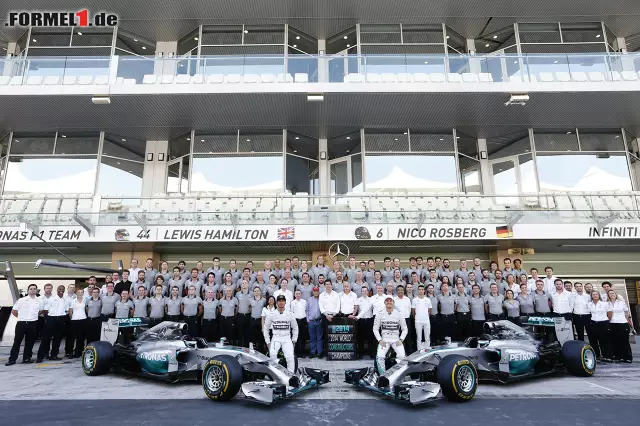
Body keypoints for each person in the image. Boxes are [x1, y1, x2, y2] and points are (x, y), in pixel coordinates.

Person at [6, 284, 43, 366]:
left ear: (36, 290)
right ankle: (12, 359)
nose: (33, 290)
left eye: (34, 289)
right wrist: (22, 317)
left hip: (33, 323)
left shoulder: (40, 301)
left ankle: (26, 358)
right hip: (21, 323)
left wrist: (33, 317)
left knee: (30, 342)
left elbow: (40, 311)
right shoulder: (21, 300)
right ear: (28, 290)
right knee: (17, 342)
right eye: (31, 289)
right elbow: (14, 311)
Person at [263, 295, 298, 373]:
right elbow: (265, 328)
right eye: (279, 301)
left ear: (285, 302)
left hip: (286, 338)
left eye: (282, 301)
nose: (281, 303)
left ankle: (291, 376)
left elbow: (295, 328)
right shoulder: (271, 314)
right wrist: (268, 341)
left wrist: (294, 340)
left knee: (290, 356)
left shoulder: (290, 314)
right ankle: (275, 375)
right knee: (272, 355)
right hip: (276, 338)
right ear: (276, 303)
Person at [373, 296, 408, 374]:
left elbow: (405, 329)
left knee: (402, 357)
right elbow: (375, 329)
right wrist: (379, 340)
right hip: (384, 339)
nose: (389, 302)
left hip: (396, 339)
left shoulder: (399, 313)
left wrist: (401, 339)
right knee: (380, 356)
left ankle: (397, 375)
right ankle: (383, 376)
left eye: (390, 301)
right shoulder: (380, 313)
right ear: (384, 302)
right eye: (387, 301)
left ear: (393, 302)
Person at [37, 285, 67, 362]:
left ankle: (54, 355)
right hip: (51, 318)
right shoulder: (52, 298)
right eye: (59, 289)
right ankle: (40, 357)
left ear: (64, 290)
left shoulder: (65, 299)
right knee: (46, 338)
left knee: (58, 338)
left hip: (61, 319)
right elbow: (45, 310)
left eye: (62, 289)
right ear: (57, 290)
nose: (61, 290)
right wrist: (47, 319)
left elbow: (66, 310)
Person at [607, 290, 633, 363]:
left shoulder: (621, 302)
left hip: (622, 323)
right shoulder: (607, 303)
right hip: (612, 324)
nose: (612, 295)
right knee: (615, 341)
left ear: (616, 294)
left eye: (613, 293)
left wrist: (625, 319)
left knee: (624, 341)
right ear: (608, 295)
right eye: (610, 294)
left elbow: (627, 312)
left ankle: (627, 357)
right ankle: (618, 357)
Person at [587, 291, 613, 362]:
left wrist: (607, 321)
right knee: (594, 340)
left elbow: (610, 313)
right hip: (593, 323)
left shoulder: (604, 304)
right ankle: (597, 355)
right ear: (591, 296)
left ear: (599, 295)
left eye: (596, 294)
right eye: (593, 294)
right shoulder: (589, 304)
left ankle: (607, 356)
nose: (595, 296)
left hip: (603, 323)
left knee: (605, 340)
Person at [319, 279, 340, 355]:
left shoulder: (336, 294)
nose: (328, 285)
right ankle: (326, 352)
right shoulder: (321, 295)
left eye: (329, 284)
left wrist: (333, 315)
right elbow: (321, 307)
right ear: (324, 286)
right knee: (325, 334)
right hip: (325, 316)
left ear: (331, 285)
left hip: (334, 316)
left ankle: (334, 351)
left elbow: (338, 306)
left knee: (334, 335)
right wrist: (327, 315)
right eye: (326, 284)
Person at [353, 284, 374, 358]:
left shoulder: (371, 299)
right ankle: (360, 353)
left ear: (368, 292)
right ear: (361, 292)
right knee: (360, 337)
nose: (364, 292)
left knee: (370, 337)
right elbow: (356, 309)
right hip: (361, 321)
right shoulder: (358, 300)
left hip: (369, 320)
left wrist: (357, 317)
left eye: (366, 291)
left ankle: (371, 353)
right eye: (363, 291)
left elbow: (368, 309)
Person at [68, 288, 87, 358]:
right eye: (79, 292)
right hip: (74, 320)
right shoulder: (73, 301)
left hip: (83, 320)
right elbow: (70, 311)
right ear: (76, 293)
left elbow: (86, 310)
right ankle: (70, 352)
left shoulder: (85, 300)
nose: (80, 293)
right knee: (72, 337)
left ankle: (78, 352)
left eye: (81, 292)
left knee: (80, 338)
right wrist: (72, 318)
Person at [412, 285, 432, 350]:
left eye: (422, 289)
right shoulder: (414, 300)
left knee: (427, 337)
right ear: (418, 291)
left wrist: (426, 315)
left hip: (426, 320)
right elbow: (413, 311)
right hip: (418, 321)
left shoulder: (428, 300)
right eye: (419, 289)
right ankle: (419, 351)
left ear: (424, 291)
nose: (421, 291)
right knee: (419, 337)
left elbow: (430, 310)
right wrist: (416, 317)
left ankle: (427, 349)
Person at [394, 285, 413, 353]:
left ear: (404, 291)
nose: (400, 291)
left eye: (401, 290)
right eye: (399, 290)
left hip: (406, 319)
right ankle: (400, 352)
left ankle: (409, 352)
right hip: (397, 321)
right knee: (398, 336)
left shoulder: (407, 299)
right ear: (396, 291)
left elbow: (409, 309)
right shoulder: (394, 300)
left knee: (408, 336)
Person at [305, 287, 323, 358]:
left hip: (319, 321)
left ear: (319, 292)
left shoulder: (321, 299)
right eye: (314, 291)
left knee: (319, 338)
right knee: (312, 338)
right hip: (311, 321)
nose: (316, 292)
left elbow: (323, 309)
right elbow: (307, 310)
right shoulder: (309, 299)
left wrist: (322, 318)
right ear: (313, 292)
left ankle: (319, 352)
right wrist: (307, 319)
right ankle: (312, 352)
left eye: (317, 291)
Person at [290, 290, 308, 357]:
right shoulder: (292, 303)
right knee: (296, 336)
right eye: (296, 294)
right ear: (295, 295)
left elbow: (306, 311)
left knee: (303, 337)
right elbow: (291, 313)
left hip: (303, 320)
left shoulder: (304, 302)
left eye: (299, 294)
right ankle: (296, 352)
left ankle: (303, 352)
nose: (298, 295)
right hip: (296, 321)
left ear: (301, 294)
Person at [235, 280, 252, 347]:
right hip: (240, 315)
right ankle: (240, 347)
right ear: (241, 285)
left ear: (248, 284)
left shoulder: (252, 293)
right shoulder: (237, 294)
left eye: (245, 283)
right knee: (240, 333)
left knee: (247, 333)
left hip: (248, 315)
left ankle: (247, 348)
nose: (244, 284)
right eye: (243, 283)